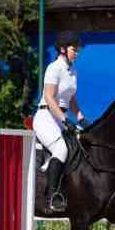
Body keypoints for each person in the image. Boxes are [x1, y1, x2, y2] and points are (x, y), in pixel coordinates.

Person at [33, 31, 91, 213]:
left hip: (60, 117)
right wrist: (66, 120)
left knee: (79, 147)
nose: (78, 53)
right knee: (61, 149)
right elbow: (50, 98)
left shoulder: (73, 71)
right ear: (63, 49)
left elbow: (71, 99)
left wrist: (81, 118)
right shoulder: (54, 68)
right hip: (46, 116)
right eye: (75, 49)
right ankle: (51, 196)